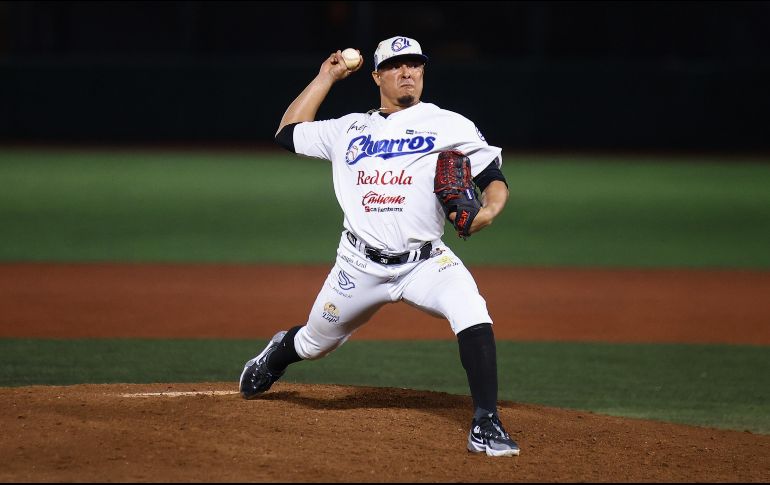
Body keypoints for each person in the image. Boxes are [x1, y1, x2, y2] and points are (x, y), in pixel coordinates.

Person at [239, 36, 518, 457]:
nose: (407, 72)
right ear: (376, 75)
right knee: (316, 343)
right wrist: (325, 77)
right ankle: (278, 353)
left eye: (415, 65)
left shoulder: (450, 124)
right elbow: (287, 132)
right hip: (358, 266)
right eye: (396, 65)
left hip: (426, 261)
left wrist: (489, 211)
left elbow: (491, 176)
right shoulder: (349, 129)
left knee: (473, 312)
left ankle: (485, 421)